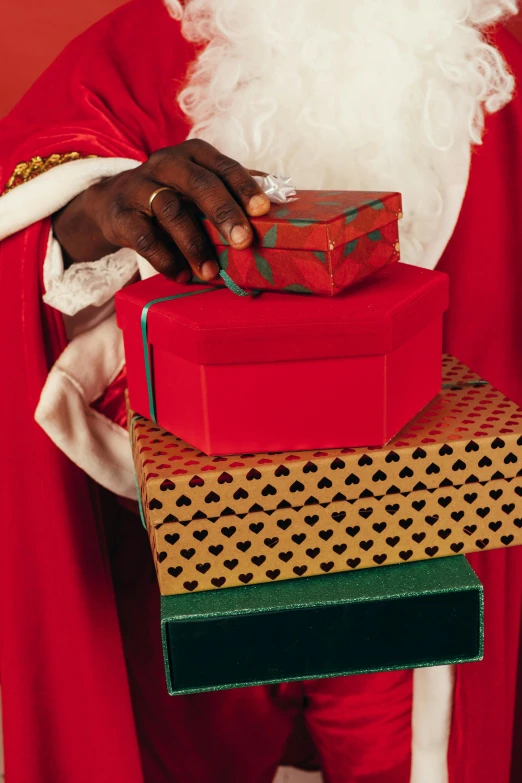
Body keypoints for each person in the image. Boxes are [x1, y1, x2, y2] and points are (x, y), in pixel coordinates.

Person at [0, 0, 521, 781]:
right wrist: (92, 218)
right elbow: (30, 214)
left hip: (414, 556)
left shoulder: (496, 68)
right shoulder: (143, 39)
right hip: (182, 553)